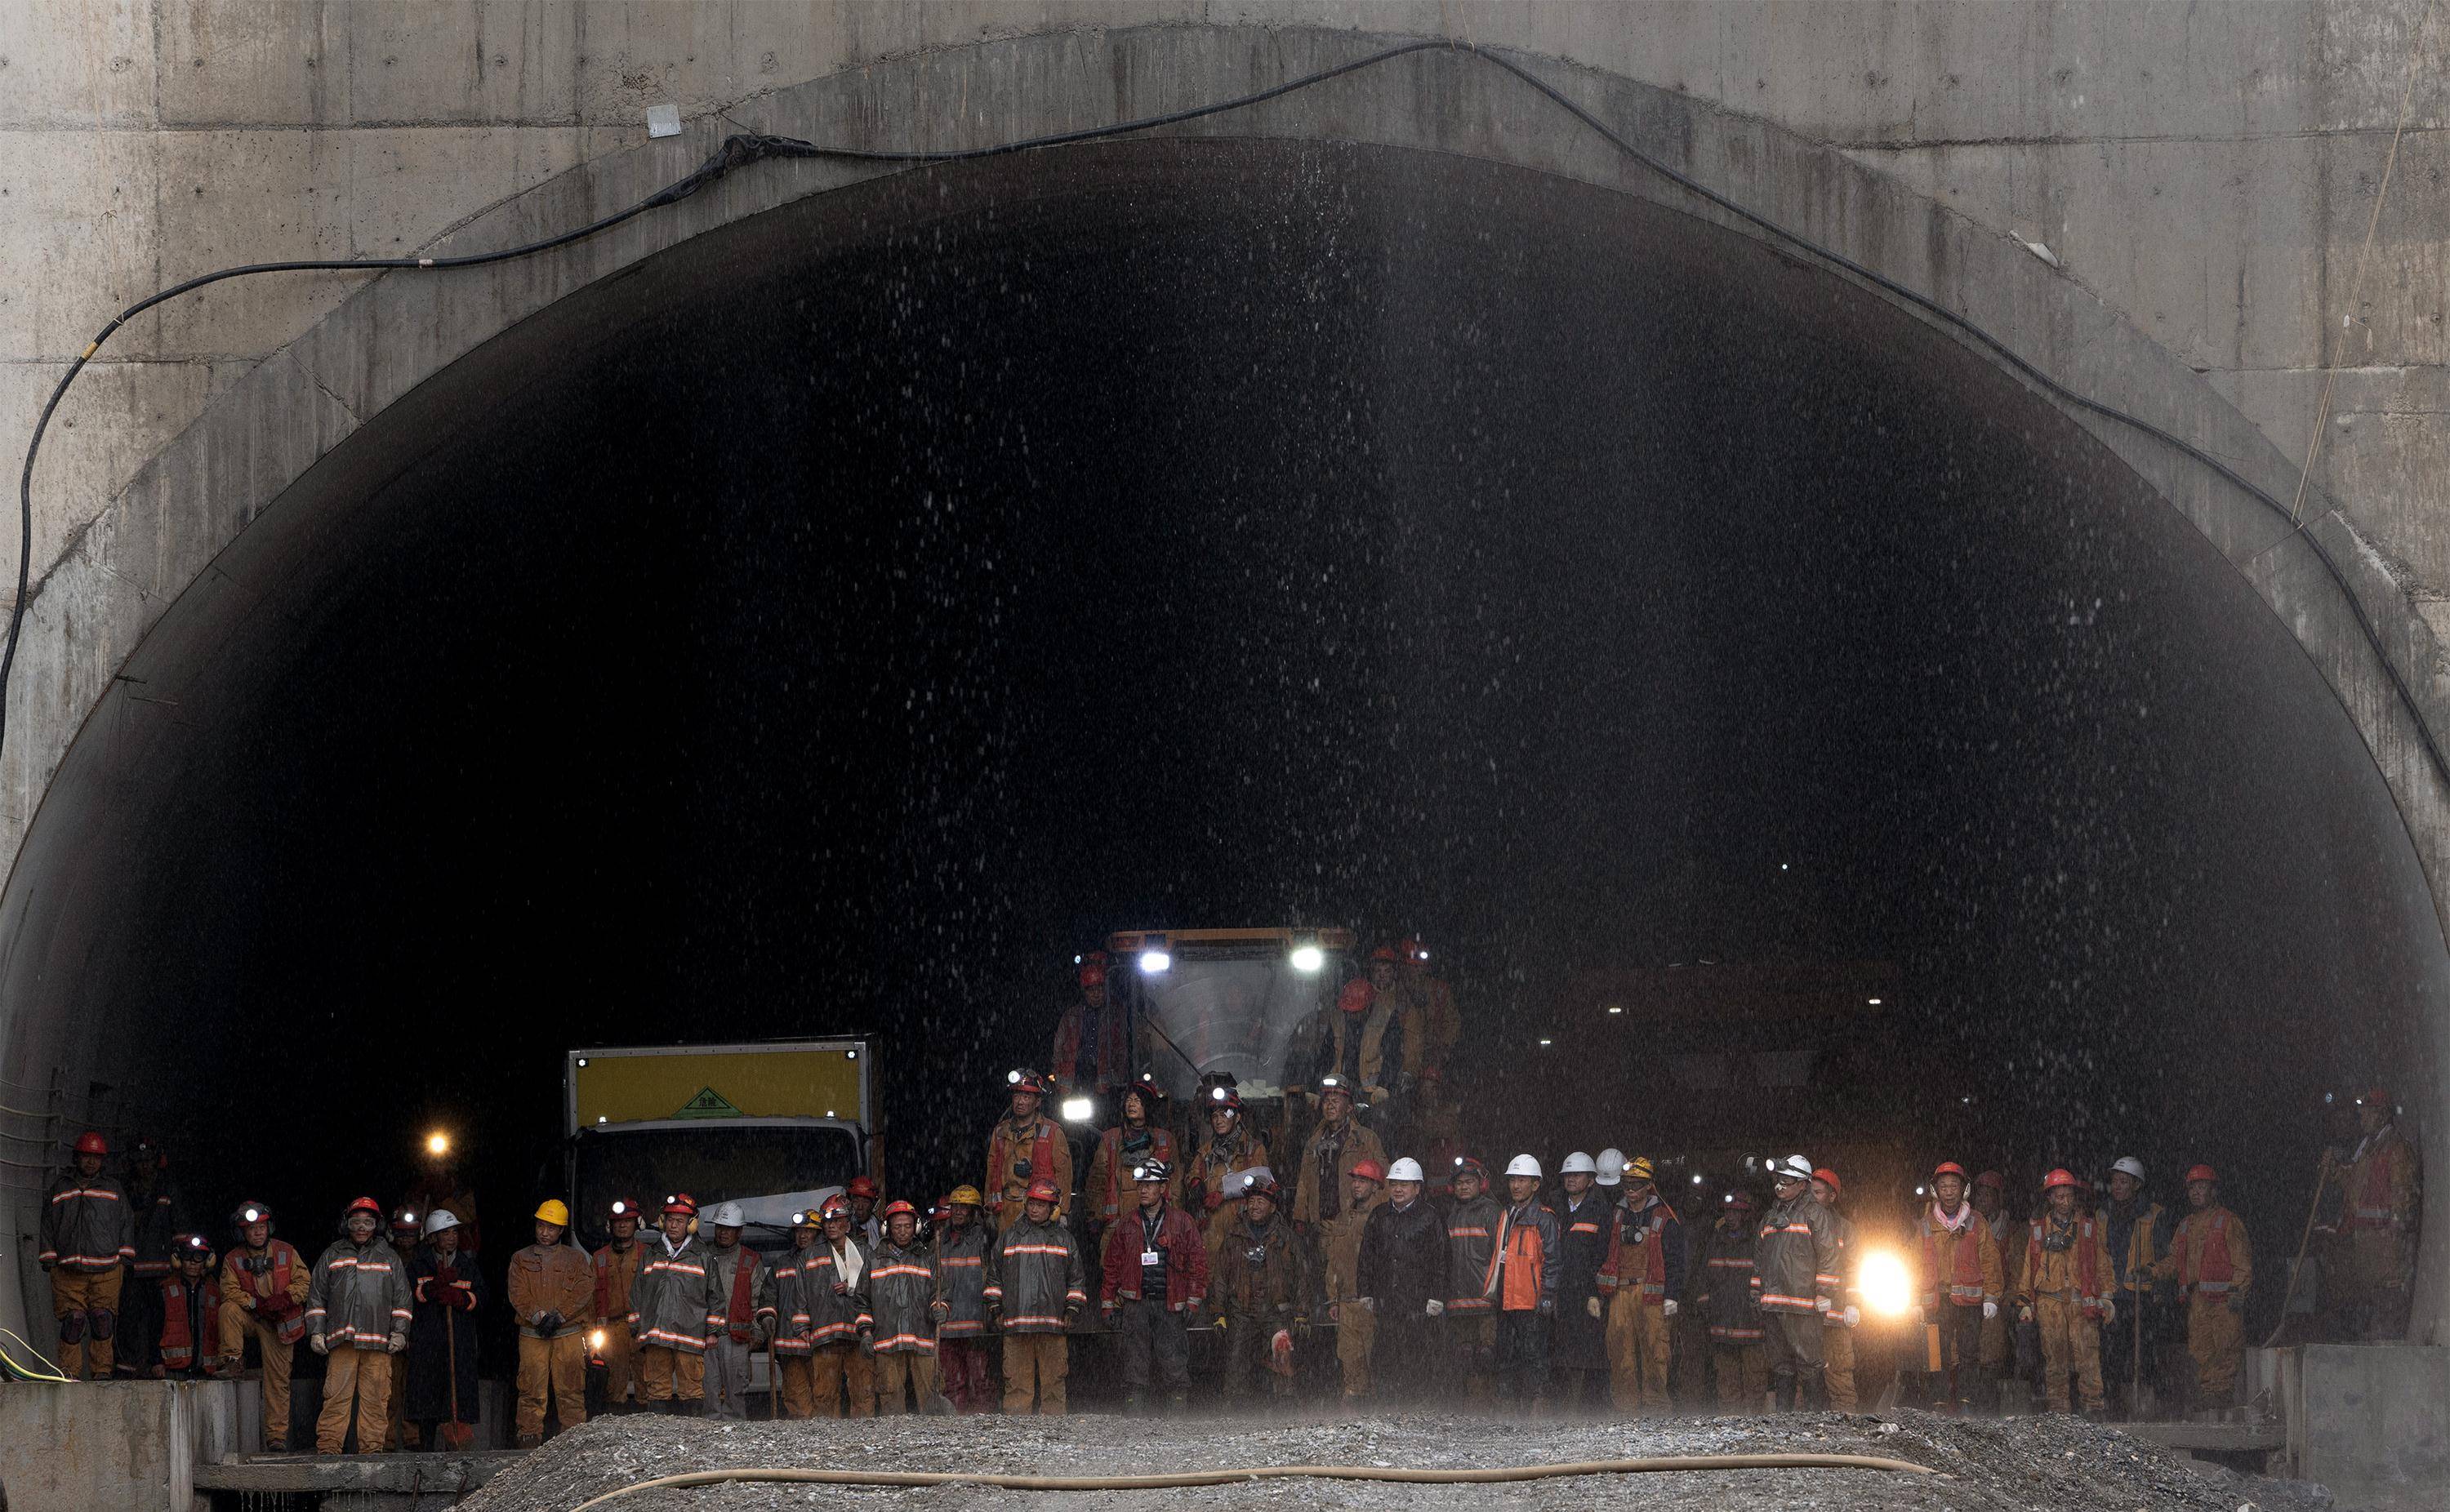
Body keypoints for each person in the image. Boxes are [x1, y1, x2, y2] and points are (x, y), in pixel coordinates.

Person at [1098, 1157, 1207, 1413]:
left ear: (1163, 1187)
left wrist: (1193, 1301)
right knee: (1135, 1359)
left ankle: (1178, 1410)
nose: (1144, 1190)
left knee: (1174, 1359)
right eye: (1140, 1185)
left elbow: (1198, 1265)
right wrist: (1107, 1305)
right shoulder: (1126, 1225)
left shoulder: (1182, 1223)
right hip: (1136, 1304)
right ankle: (1135, 1410)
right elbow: (1111, 1266)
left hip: (1170, 1304)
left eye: (1150, 1184)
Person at [305, 1196, 412, 1454]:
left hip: (378, 1342)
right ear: (347, 1225)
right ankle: (329, 1449)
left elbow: (402, 1297)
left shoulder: (390, 1257)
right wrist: (316, 1330)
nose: (362, 1227)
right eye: (356, 1222)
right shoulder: (332, 1254)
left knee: (376, 1400)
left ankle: (372, 1450)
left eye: (368, 1222)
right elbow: (316, 1295)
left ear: (378, 1225)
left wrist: (399, 1331)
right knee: (336, 1397)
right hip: (343, 1341)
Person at [2153, 1164, 2252, 1421]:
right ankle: (2210, 1394)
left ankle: (2221, 1394)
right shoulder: (2185, 1226)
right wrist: (2153, 1271)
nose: (2196, 1192)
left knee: (2226, 1345)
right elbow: (2175, 1260)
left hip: (2225, 1299)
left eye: (2202, 1187)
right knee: (2200, 1348)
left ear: (2213, 1190)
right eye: (2192, 1188)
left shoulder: (2228, 1222)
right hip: (2198, 1298)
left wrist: (2238, 1291)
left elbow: (2242, 1261)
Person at [2014, 1169, 2116, 1416]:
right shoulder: (2038, 1230)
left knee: (2087, 1357)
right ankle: (2059, 1412)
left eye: (2068, 1196)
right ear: (2050, 1198)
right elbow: (2030, 1266)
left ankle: (2093, 1409)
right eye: (2059, 1197)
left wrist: (2107, 1297)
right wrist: (2025, 1301)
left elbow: (2101, 1263)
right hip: (2050, 1302)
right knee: (2055, 1359)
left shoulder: (2088, 1228)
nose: (2064, 1202)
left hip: (2081, 1302)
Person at [38, 1130, 135, 1381]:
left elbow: (126, 1221)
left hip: (107, 1268)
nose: (91, 1162)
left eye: (96, 1157)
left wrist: (125, 1255)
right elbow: (48, 1222)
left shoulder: (114, 1189)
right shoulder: (60, 1188)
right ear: (76, 1157)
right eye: (86, 1156)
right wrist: (48, 1255)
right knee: (74, 1321)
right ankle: (69, 1373)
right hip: (68, 1268)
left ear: (103, 1161)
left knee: (103, 1320)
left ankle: (101, 1372)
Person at [1913, 1161, 2005, 1414]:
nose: (1949, 1191)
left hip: (1969, 1303)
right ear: (1935, 1191)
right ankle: (1939, 1403)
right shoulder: (1925, 1224)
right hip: (1936, 1300)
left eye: (1954, 1186)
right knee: (1936, 1354)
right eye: (1944, 1187)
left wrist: (1992, 1296)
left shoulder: (1977, 1222)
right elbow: (1915, 1263)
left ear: (1964, 1189)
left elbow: (1990, 1260)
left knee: (1969, 1354)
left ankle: (1967, 1403)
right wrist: (1914, 1301)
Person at [988, 1179, 1086, 1414]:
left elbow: (1076, 1280)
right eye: (1031, 1203)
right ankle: (1017, 1437)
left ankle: (1053, 1437)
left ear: (1053, 1209)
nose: (1034, 1209)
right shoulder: (1008, 1237)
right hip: (1016, 1324)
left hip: (1052, 1325)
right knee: (1017, 1387)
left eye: (1041, 1205)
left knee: (1053, 1386)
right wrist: (996, 1309)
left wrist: (1072, 1309)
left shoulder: (1065, 1239)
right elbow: (993, 1277)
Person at [1751, 1154, 1841, 1411]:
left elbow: (1828, 1253)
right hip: (1774, 1305)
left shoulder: (1815, 1214)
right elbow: (1760, 1258)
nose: (1779, 1187)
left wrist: (1824, 1292)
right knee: (1781, 1365)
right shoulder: (1769, 1217)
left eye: (1787, 1182)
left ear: (1803, 1184)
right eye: (1778, 1181)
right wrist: (1755, 1292)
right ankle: (1784, 1420)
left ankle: (1816, 1420)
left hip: (1803, 1305)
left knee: (1809, 1363)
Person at [1600, 1154, 1687, 1414]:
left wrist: (1672, 1295)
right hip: (1621, 1292)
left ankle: (1656, 1405)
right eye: (1627, 1183)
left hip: (1652, 1295)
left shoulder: (1664, 1216)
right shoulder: (1616, 1214)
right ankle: (1625, 1406)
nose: (1630, 1189)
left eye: (1636, 1184)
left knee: (1655, 1350)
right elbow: (1604, 1253)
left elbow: (1676, 1259)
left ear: (1649, 1185)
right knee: (1620, 1350)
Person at [218, 1199, 310, 1449]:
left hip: (279, 1324)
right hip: (253, 1316)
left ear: (270, 1228)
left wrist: (286, 1298)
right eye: (251, 1228)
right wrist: (255, 1303)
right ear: (242, 1232)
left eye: (262, 1227)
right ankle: (232, 1360)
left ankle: (276, 1438)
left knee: (278, 1382)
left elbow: (304, 1282)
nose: (257, 1232)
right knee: (228, 1310)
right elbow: (228, 1291)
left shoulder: (287, 1251)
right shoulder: (232, 1258)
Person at [2332, 1087, 2420, 1341]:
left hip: (2385, 1246)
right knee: (2369, 1301)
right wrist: (2336, 1171)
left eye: (2367, 1112)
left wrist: (2395, 1231)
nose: (2361, 1117)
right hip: (2368, 1245)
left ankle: (2385, 1347)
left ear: (2381, 1115)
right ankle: (2373, 1341)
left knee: (2386, 1299)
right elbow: (2355, 1184)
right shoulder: (2368, 1148)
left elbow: (2403, 1194)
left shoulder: (2396, 1149)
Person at [1356, 1155, 1446, 1401]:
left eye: (1404, 1184)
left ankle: (1415, 1401)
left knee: (1416, 1351)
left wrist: (1436, 1297)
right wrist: (1365, 1290)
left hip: (1417, 1299)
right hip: (1386, 1297)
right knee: (1385, 1350)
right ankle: (1386, 1401)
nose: (1397, 1189)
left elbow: (1440, 1260)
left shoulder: (1430, 1217)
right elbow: (1367, 1256)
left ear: (1417, 1188)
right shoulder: (1379, 1215)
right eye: (1394, 1183)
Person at [774, 1198, 872, 1418]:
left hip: (857, 1331)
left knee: (863, 1390)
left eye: (836, 1221)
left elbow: (875, 1288)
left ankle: (866, 1436)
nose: (831, 1226)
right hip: (825, 1334)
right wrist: (802, 1328)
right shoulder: (810, 1255)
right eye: (827, 1221)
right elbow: (800, 1295)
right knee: (824, 1394)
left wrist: (852, 1288)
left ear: (847, 1223)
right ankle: (827, 1438)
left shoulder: (864, 1251)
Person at [1213, 1167, 1303, 1407]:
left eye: (1260, 1201)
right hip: (1242, 1310)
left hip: (1275, 1310)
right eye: (1251, 1200)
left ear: (1273, 1206)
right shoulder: (1234, 1236)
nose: (1254, 1206)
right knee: (1235, 1362)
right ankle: (1235, 1411)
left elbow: (1302, 1276)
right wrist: (1218, 1313)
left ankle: (1285, 1408)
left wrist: (1302, 1313)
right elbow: (1221, 1276)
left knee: (1283, 1357)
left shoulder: (1286, 1238)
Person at [404, 1209, 483, 1448]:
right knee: (427, 1397)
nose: (452, 1238)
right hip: (427, 1342)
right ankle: (425, 1447)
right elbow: (409, 1295)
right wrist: (433, 1287)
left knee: (456, 1397)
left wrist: (460, 1298)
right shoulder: (419, 1265)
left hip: (458, 1342)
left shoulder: (467, 1266)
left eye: (454, 1232)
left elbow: (482, 1298)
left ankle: (456, 1448)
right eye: (445, 1233)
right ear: (433, 1238)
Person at [626, 1193, 711, 1414]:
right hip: (657, 1335)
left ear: (691, 1225)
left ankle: (693, 1441)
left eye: (680, 1221)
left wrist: (713, 1331)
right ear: (663, 1221)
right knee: (657, 1389)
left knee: (691, 1390)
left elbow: (715, 1297)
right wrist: (636, 1327)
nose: (674, 1225)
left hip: (689, 1336)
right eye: (670, 1220)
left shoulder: (703, 1256)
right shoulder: (651, 1255)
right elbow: (637, 1293)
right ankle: (657, 1442)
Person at [2100, 1157, 2171, 1417]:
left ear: (2137, 1185)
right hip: (2111, 1296)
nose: (2117, 1187)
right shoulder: (2103, 1214)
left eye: (2123, 1182)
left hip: (2140, 1296)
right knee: (2110, 1354)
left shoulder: (2154, 1214)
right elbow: (2097, 1253)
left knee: (2143, 1353)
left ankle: (2144, 1407)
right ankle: (2113, 1405)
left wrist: (2153, 1272)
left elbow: (2169, 1257)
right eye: (2115, 1181)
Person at [1487, 1154, 1560, 1408]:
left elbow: (1552, 1260)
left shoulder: (1544, 1217)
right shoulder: (1506, 1214)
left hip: (1531, 1301)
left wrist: (1548, 1296)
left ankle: (1538, 1408)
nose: (1516, 1185)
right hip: (1507, 1300)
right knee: (1506, 1356)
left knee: (1535, 1357)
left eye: (1522, 1180)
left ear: (1536, 1184)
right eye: (1513, 1179)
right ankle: (1509, 1409)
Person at [1315, 1156, 1385, 1403]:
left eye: (1364, 1180)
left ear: (1376, 1185)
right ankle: (1354, 1401)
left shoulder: (1384, 1217)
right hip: (1346, 1301)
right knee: (1350, 1356)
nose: (1356, 1185)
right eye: (1355, 1179)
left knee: (1376, 1355)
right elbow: (1334, 1261)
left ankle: (1381, 1402)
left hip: (1372, 1301)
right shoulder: (1344, 1218)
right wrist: (1333, 1299)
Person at [1308, 967, 1416, 1123]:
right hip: (1341, 1086)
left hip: (1371, 1092)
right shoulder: (1338, 1018)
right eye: (1349, 1011)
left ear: (1368, 1007)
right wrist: (1313, 1089)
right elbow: (1325, 1055)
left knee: (1379, 1122)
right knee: (1321, 1121)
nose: (1352, 1015)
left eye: (1356, 1011)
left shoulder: (1386, 1018)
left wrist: (1384, 1087)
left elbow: (1393, 1056)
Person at [698, 1200, 775, 1420]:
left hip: (738, 1339)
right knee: (708, 1392)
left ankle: (737, 1445)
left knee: (736, 1395)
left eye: (729, 1229)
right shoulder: (702, 1256)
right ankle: (708, 1441)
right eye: (720, 1227)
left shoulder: (750, 1260)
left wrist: (757, 1334)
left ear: (739, 1232)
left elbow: (758, 1299)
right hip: (707, 1336)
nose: (723, 1233)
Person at [1549, 1151, 1612, 1405]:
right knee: (1559, 1351)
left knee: (1592, 1352)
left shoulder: (1600, 1210)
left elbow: (1604, 1254)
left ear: (1591, 1180)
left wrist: (1595, 1293)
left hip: (1587, 1292)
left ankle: (1593, 1409)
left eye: (1577, 1175)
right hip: (1560, 1290)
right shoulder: (1555, 1205)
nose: (1571, 1179)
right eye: (1567, 1175)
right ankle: (1559, 1409)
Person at [1085, 1075, 1180, 1242]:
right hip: (1116, 1223)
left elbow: (1176, 1183)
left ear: (1148, 1105)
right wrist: (1094, 1215)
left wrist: (1176, 1218)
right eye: (1129, 1100)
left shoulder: (1165, 1139)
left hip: (1156, 1222)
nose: (1131, 1104)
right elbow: (1097, 1180)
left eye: (1137, 1100)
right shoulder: (1111, 1138)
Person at [1695, 1192, 1767, 1407]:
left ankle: (1754, 1426)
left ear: (1747, 1214)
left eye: (1737, 1212)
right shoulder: (1715, 1240)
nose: (1731, 1216)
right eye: (1728, 1211)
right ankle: (1729, 1423)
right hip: (1721, 1324)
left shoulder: (1758, 1242)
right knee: (1726, 1381)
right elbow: (1703, 1275)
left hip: (1750, 1325)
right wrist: (1705, 1303)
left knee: (1755, 1380)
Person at [1185, 1083, 1272, 1260]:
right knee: (1212, 1280)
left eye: (1225, 1114)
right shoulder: (1205, 1152)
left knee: (1242, 1281)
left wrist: (1222, 1193)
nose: (1219, 1120)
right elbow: (1192, 1174)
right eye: (1215, 1116)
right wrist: (1195, 1183)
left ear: (1237, 1117)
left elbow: (1261, 1180)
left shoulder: (1254, 1149)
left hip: (1243, 1230)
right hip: (1211, 1232)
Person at [1293, 1076, 1387, 1236]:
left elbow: (1384, 1181)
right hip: (1319, 1229)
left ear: (1350, 1107)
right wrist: (1300, 1217)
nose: (1329, 1105)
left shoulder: (1366, 1140)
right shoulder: (1313, 1143)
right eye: (1326, 1101)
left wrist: (1363, 1217)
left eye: (1336, 1100)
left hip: (1353, 1230)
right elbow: (1304, 1183)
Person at [869, 1201, 939, 1414]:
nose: (902, 1231)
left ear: (916, 1227)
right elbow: (862, 1300)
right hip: (887, 1338)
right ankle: (893, 1441)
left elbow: (940, 1291)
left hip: (922, 1336)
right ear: (887, 1228)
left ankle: (935, 1440)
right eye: (897, 1226)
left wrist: (940, 1306)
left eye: (908, 1226)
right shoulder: (873, 1260)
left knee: (930, 1393)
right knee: (890, 1396)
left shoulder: (927, 1258)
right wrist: (864, 1331)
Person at [984, 1070, 1075, 1233]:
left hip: (1038, 1209)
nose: (1020, 1102)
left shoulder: (1052, 1131)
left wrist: (1062, 1211)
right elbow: (992, 1171)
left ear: (1037, 1101)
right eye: (1017, 1096)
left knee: (1035, 1256)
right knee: (1006, 1256)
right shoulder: (1000, 1131)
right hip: (1006, 1209)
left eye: (1026, 1097)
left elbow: (1063, 1174)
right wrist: (990, 1210)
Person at [930, 1186, 995, 1413]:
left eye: (963, 1207)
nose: (957, 1211)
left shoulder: (984, 1238)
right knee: (953, 1382)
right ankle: (955, 1425)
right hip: (947, 1325)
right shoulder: (939, 1242)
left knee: (980, 1381)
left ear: (974, 1212)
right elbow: (932, 1282)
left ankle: (980, 1422)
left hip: (975, 1323)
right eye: (954, 1206)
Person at [119, 1137, 178, 1380]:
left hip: (161, 1266)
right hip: (133, 1265)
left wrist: (180, 1255)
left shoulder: (167, 1188)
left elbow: (179, 1221)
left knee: (160, 1317)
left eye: (148, 1161)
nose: (144, 1166)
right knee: (128, 1315)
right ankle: (127, 1364)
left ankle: (158, 1360)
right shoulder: (124, 1189)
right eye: (139, 1161)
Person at [1443, 1156, 1502, 1399]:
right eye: (1459, 1183)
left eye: (1469, 1181)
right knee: (1464, 1354)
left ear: (1482, 1184)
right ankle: (1472, 1408)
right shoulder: (1449, 1214)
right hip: (1457, 1299)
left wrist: (1497, 1293)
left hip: (1486, 1299)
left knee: (1488, 1353)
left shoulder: (1492, 1212)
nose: (1464, 1187)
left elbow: (1500, 1257)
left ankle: (1490, 1405)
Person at [1810, 1167, 1862, 1411]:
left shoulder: (1845, 1229)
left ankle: (1847, 1428)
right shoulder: (1797, 1226)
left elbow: (1853, 1267)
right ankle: (1804, 1431)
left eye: (1818, 1192)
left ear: (1832, 1196)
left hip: (1837, 1313)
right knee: (1806, 1377)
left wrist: (1853, 1303)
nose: (1813, 1196)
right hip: (1806, 1316)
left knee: (1839, 1372)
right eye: (1810, 1191)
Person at [590, 1198, 648, 1414]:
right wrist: (590, 1335)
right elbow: (590, 1300)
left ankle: (647, 1429)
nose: (622, 1225)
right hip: (612, 1331)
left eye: (628, 1221)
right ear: (610, 1226)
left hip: (641, 1328)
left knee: (647, 1382)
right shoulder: (599, 1258)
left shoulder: (647, 1255)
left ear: (637, 1223)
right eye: (617, 1222)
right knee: (614, 1386)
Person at [1052, 953, 1138, 1097]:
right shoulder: (1071, 1016)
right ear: (1084, 992)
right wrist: (1059, 1077)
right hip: (1075, 1081)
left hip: (1107, 1085)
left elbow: (1123, 1048)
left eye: (1100, 988)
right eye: (1091, 990)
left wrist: (1118, 1074)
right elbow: (1058, 1051)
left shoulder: (1116, 1014)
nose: (1096, 994)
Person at [145, 1234, 218, 1379]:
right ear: (178, 1259)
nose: (192, 1262)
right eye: (187, 1256)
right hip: (172, 1371)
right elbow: (154, 1329)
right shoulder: (164, 1290)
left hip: (207, 1372)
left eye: (198, 1257)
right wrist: (156, 1361)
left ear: (207, 1261)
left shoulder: (215, 1292)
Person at [1395, 936, 1461, 1074]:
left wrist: (1443, 1048)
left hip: (1429, 1062)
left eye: (1419, 966)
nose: (1416, 971)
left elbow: (1453, 1023)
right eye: (1412, 966)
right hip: (1398, 1063)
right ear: (1402, 966)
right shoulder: (1393, 991)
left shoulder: (1439, 991)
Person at [847, 1177, 884, 1252]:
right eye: (856, 1201)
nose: (860, 1207)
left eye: (865, 1202)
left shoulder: (881, 1229)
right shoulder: (841, 1229)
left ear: (873, 1206)